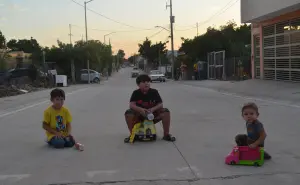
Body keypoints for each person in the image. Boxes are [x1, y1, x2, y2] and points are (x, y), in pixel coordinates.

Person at [124, 74, 176, 142]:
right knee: (128, 113)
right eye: (144, 82)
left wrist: (152, 109)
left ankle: (166, 135)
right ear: (138, 84)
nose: (146, 84)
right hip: (140, 117)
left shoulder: (154, 92)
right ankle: (132, 135)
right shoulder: (136, 93)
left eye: (148, 82)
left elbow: (160, 104)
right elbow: (131, 105)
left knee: (166, 112)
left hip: (152, 116)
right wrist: (141, 110)